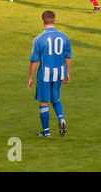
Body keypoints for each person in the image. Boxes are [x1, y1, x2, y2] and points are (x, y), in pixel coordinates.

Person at [27, 10, 72, 138]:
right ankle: (61, 118)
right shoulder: (63, 37)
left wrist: (30, 78)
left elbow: (34, 60)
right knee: (55, 99)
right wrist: (67, 72)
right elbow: (67, 57)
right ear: (55, 20)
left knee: (44, 102)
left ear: (42, 21)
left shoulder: (39, 39)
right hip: (59, 73)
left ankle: (46, 132)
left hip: (44, 75)